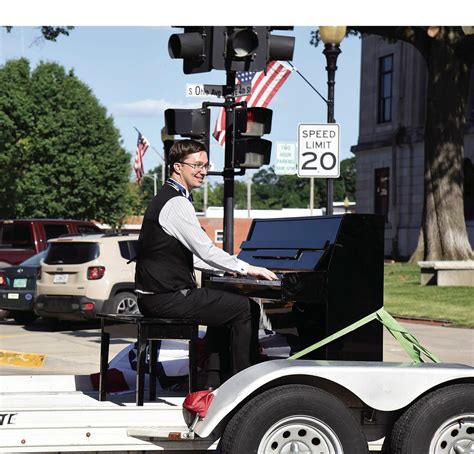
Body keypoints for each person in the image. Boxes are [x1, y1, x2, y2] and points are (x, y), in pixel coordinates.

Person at [135, 139, 277, 389]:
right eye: (197, 165)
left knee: (224, 303)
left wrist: (229, 270)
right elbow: (205, 249)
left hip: (156, 295)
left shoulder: (170, 197)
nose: (203, 171)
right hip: (165, 297)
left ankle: (213, 380)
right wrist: (247, 268)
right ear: (178, 167)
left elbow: (197, 257)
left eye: (205, 165)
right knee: (246, 309)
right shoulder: (176, 203)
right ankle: (244, 386)